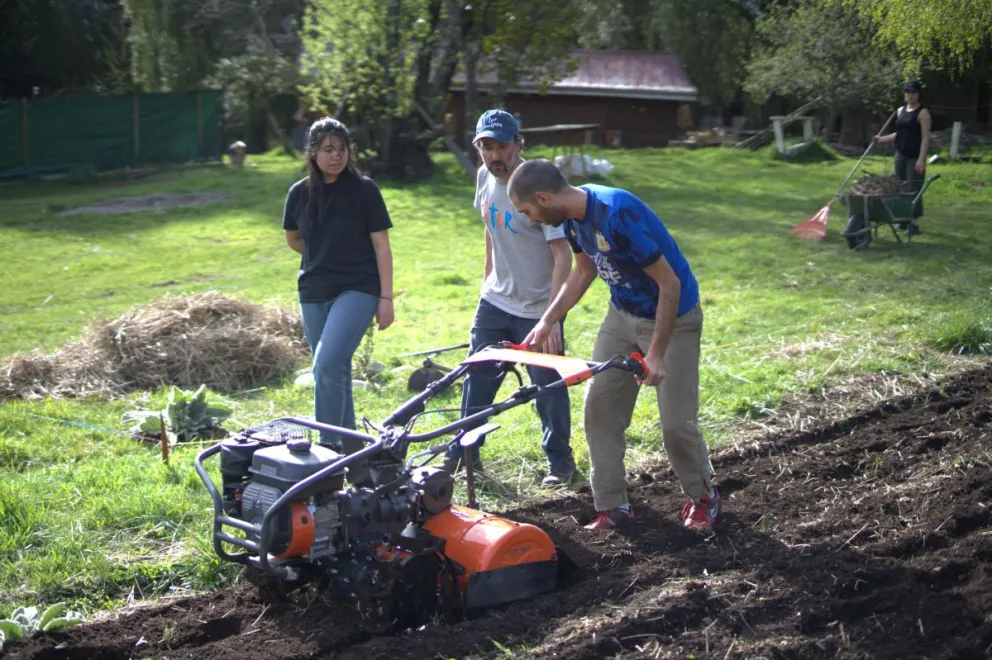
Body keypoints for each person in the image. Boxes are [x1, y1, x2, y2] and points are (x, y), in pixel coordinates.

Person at [506, 158, 720, 530]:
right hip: (622, 316)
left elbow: (670, 285)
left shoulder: (617, 213)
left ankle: (702, 496)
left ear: (543, 198)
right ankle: (613, 506)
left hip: (674, 319)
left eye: (527, 211)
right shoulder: (572, 218)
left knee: (676, 425)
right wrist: (547, 321)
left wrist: (655, 354)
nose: (531, 219)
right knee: (600, 410)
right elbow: (584, 271)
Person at [442, 110, 576, 487]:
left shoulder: (538, 186)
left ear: (520, 144)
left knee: (546, 387)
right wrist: (488, 279)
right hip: (496, 301)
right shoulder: (484, 176)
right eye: (486, 146)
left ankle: (561, 464)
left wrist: (552, 315)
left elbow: (563, 255)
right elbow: (490, 226)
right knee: (477, 379)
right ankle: (464, 455)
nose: (494, 155)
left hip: (538, 307)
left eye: (502, 146)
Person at [282, 117, 395, 485]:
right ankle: (356, 458)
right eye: (328, 150)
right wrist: (323, 254)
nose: (336, 156)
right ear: (312, 153)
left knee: (326, 363)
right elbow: (293, 238)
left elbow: (382, 245)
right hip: (313, 290)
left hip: (359, 287)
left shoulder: (364, 190)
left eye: (342, 149)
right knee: (335, 372)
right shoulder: (299, 193)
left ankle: (327, 454)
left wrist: (386, 297)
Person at [873, 80, 932, 233]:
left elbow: (925, 137)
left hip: (914, 156)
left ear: (918, 94)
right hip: (900, 154)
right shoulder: (900, 111)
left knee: (913, 189)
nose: (910, 95)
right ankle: (903, 220)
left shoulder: (923, 113)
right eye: (908, 92)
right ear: (905, 94)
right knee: (899, 187)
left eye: (913, 93)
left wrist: (921, 159)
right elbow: (899, 134)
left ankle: (914, 223)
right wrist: (881, 139)